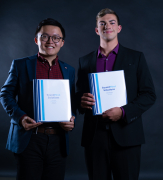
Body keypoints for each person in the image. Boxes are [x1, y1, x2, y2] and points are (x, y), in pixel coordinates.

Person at [76, 8, 156, 180]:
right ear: (97, 30)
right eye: (102, 23)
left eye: (112, 22)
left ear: (119, 28)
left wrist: (123, 112)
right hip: (94, 137)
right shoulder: (85, 61)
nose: (107, 26)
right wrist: (81, 101)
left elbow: (149, 95)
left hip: (127, 136)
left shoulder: (136, 58)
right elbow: (78, 95)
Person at [0, 18, 75, 180]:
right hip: (29, 138)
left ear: (62, 43)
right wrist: (21, 117)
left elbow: (71, 102)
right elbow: (5, 94)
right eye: (44, 36)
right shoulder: (20, 65)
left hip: (58, 140)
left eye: (56, 38)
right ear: (36, 40)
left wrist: (71, 118)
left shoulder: (69, 70)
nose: (50, 41)